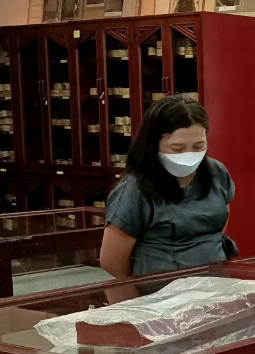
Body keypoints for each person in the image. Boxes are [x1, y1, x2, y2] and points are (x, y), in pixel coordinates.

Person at [99, 95, 234, 278]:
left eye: (198, 146)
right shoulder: (135, 188)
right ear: (154, 144)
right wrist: (143, 287)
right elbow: (112, 260)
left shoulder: (216, 172)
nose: (189, 155)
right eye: (177, 149)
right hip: (161, 291)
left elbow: (218, 226)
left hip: (215, 285)